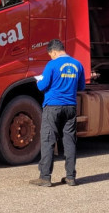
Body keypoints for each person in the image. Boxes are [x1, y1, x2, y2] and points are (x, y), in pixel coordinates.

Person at [31, 39, 85, 187]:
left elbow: (42, 86)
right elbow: (81, 86)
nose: (51, 57)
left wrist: (38, 82)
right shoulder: (77, 64)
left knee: (48, 140)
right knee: (69, 141)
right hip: (71, 107)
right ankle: (70, 177)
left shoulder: (52, 65)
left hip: (53, 106)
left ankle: (45, 177)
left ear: (54, 51)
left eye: (51, 55)